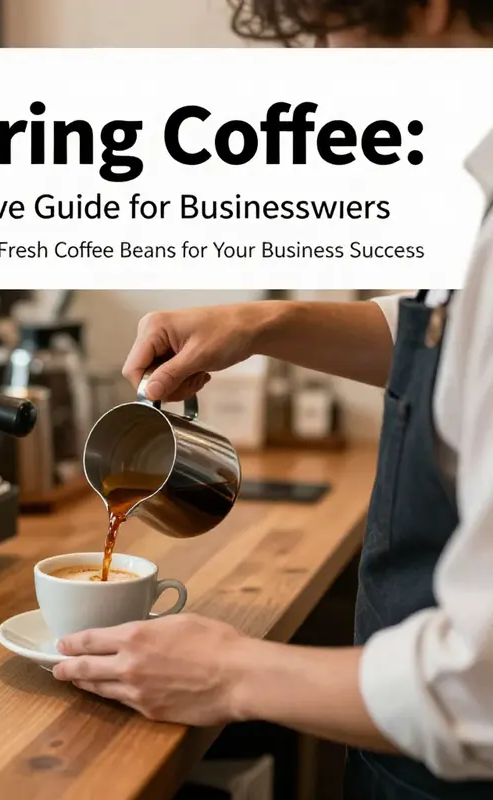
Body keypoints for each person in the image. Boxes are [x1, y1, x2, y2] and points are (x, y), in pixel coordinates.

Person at [52, 2, 493, 798]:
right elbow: (458, 334)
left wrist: (229, 673)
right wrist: (262, 323)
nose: (322, 60)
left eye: (329, 31)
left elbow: (480, 687)